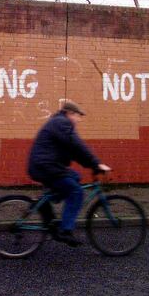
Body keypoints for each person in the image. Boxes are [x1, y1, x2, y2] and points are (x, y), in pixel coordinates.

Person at [27, 100, 111, 247]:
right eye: (78, 116)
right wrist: (96, 163)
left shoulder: (59, 124)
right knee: (76, 192)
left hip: (47, 166)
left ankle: (44, 203)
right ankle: (65, 231)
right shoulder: (62, 123)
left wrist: (91, 165)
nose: (78, 120)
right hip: (46, 167)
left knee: (75, 177)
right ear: (70, 113)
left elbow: (74, 152)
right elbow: (77, 145)